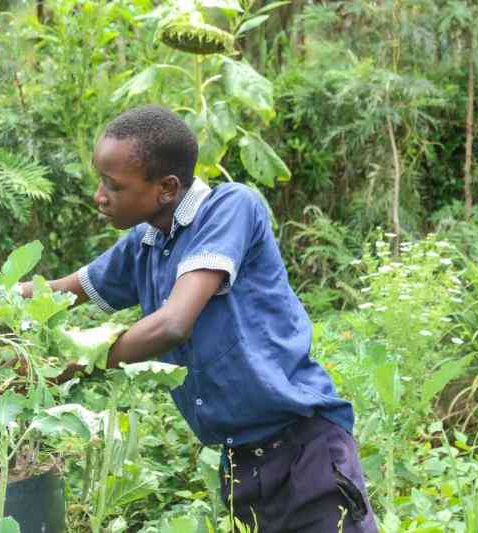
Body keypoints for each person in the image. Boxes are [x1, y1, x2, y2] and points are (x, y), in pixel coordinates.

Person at [21, 105, 378, 532]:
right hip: (242, 466)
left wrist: (79, 362)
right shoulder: (145, 244)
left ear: (167, 187)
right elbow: (60, 293)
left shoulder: (229, 208)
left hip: (304, 450)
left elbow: (174, 323)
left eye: (113, 185)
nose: (99, 196)